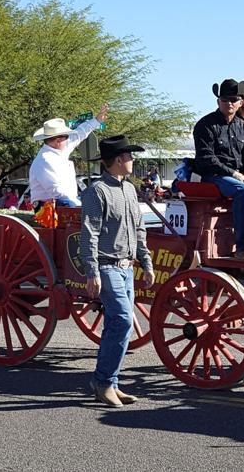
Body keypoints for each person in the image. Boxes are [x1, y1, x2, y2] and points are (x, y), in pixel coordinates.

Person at [80, 135, 155, 408]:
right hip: (106, 265)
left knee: (118, 326)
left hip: (126, 266)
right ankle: (102, 381)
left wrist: (145, 262)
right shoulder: (96, 191)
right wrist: (92, 272)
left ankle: (109, 382)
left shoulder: (130, 190)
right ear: (119, 160)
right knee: (122, 321)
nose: (133, 160)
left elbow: (139, 230)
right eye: (130, 156)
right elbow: (88, 234)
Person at [193, 79, 244, 258]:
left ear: (240, 102)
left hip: (238, 174)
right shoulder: (205, 125)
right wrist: (233, 173)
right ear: (218, 101)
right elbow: (206, 159)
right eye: (225, 99)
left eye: (234, 100)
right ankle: (243, 246)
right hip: (214, 176)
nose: (229, 103)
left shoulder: (241, 125)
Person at [29, 103, 109, 208]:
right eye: (66, 137)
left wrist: (96, 120)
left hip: (65, 202)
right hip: (48, 208)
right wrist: (78, 205)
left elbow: (79, 133)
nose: (69, 139)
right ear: (58, 141)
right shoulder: (45, 160)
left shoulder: (59, 148)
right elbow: (56, 191)